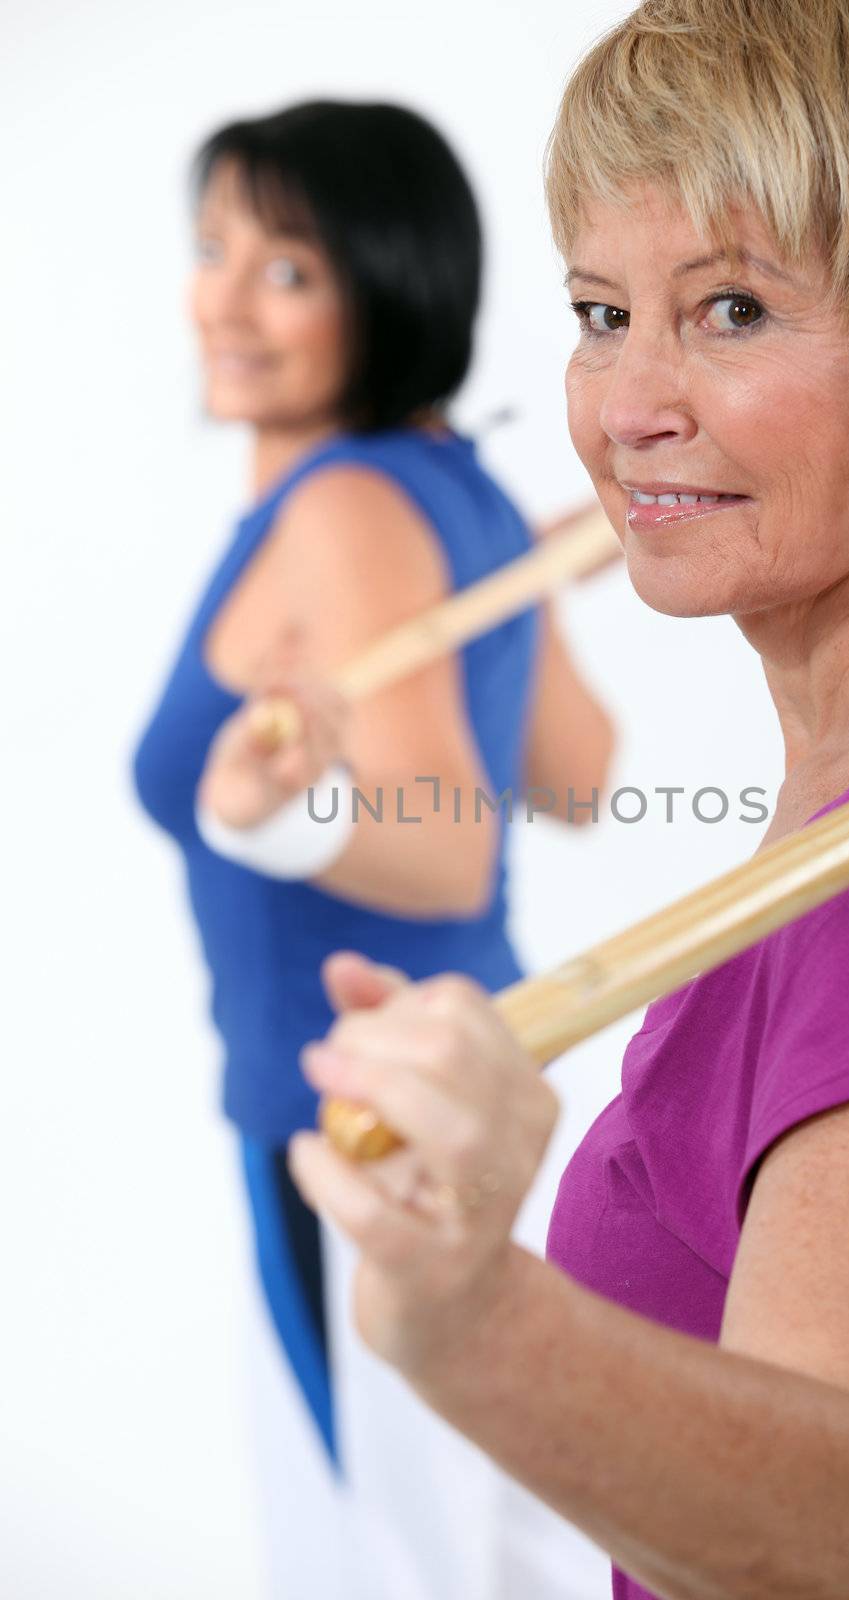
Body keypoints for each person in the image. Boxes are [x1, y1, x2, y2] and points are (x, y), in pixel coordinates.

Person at [287, 3, 849, 1596]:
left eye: (731, 310)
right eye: (598, 311)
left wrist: (464, 1307)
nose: (628, 405)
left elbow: (818, 1513)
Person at [131, 99, 614, 1600]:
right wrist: (510, 588)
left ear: (391, 281)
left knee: (393, 1559)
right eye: (213, 249)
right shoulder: (451, 487)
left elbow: (451, 846)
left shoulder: (343, 506)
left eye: (285, 268)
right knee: (482, 1536)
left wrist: (266, 814)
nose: (221, 298)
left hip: (361, 1115)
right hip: (464, 1073)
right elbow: (582, 776)